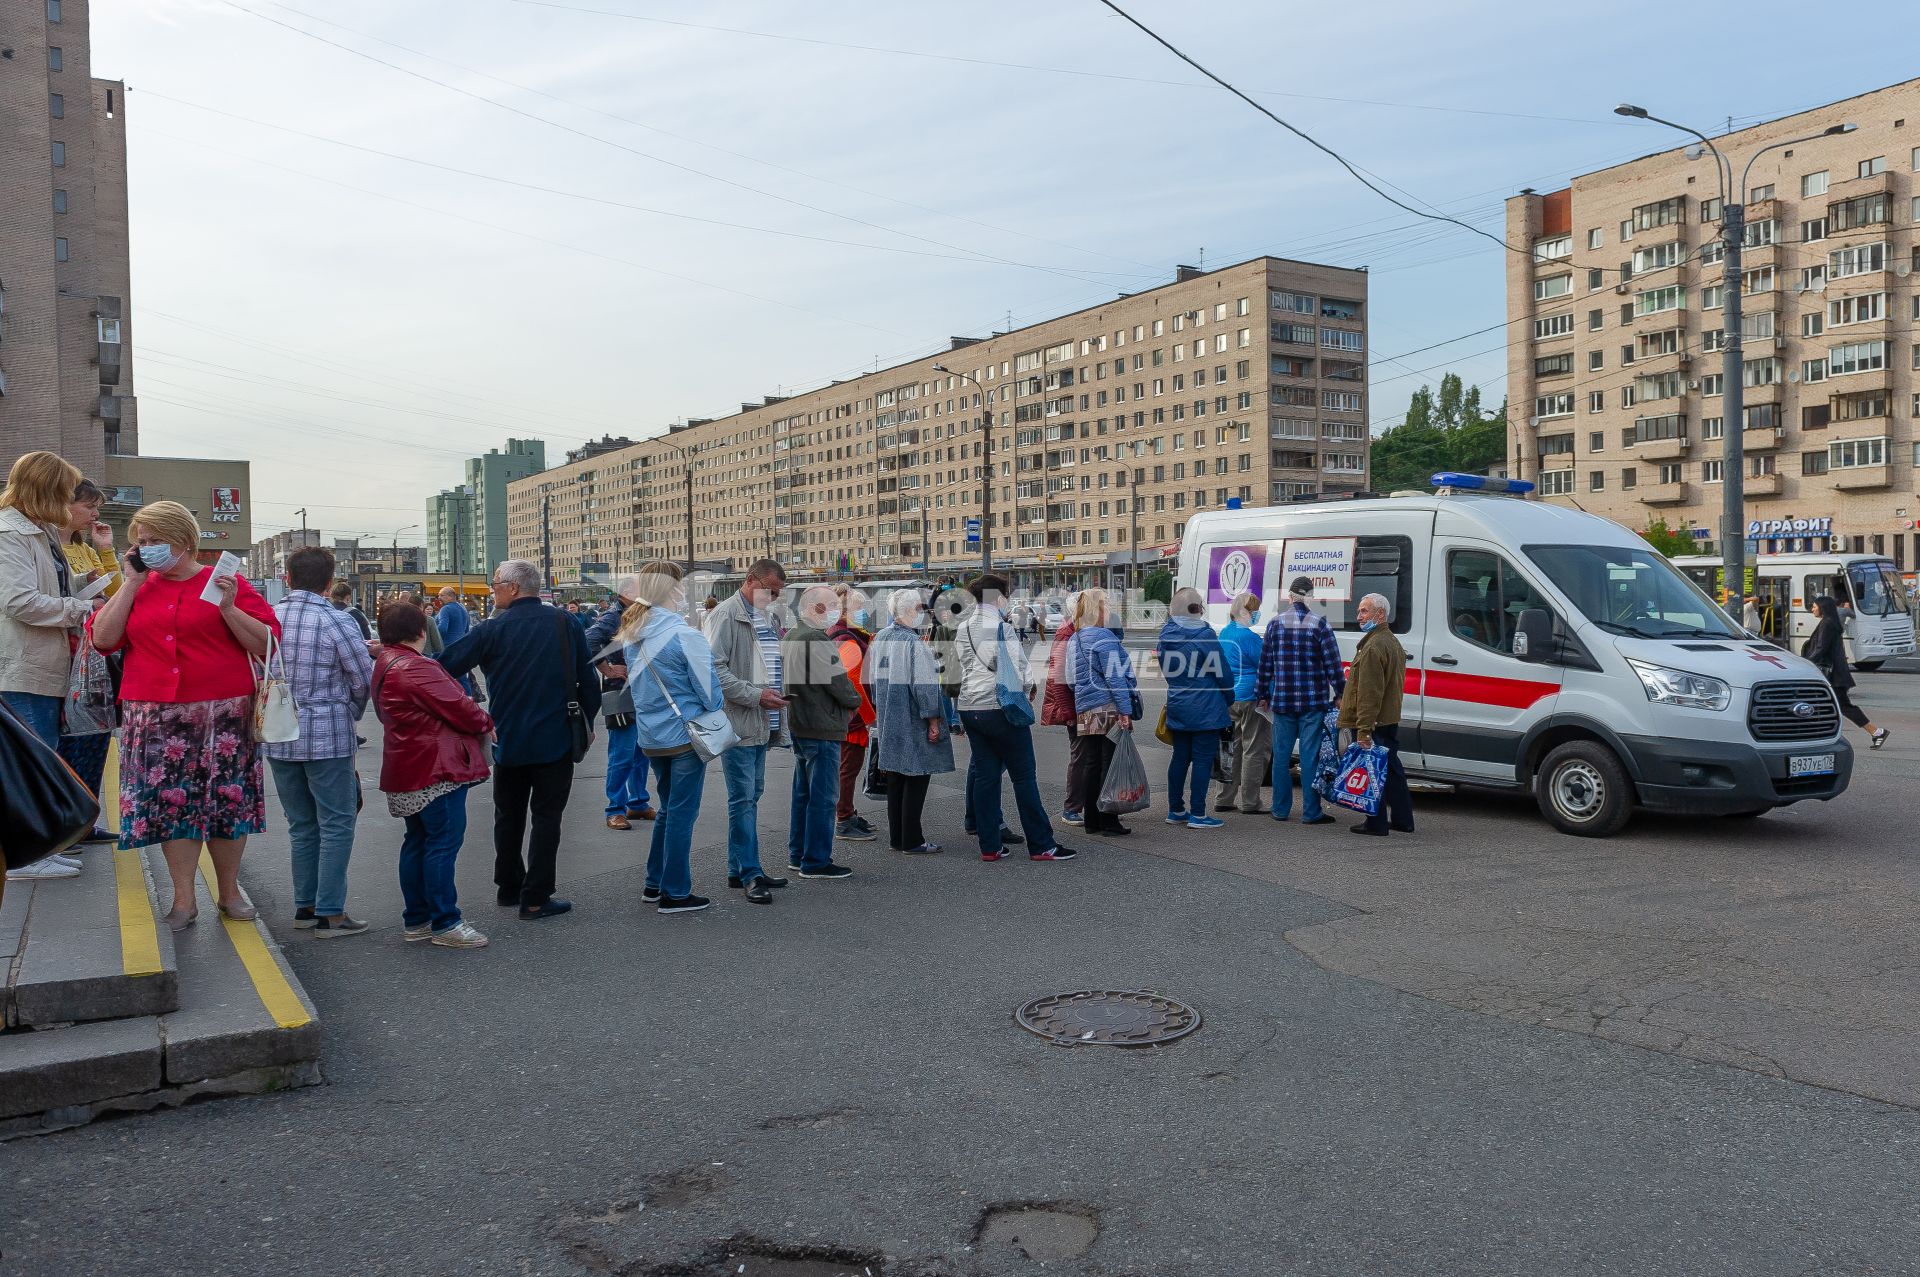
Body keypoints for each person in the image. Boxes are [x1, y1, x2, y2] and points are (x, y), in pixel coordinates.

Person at [88, 500, 280, 930]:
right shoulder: (137, 586)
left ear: (184, 541)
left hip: (223, 713)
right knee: (171, 807)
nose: (146, 548)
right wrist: (132, 583)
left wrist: (230, 610)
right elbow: (103, 639)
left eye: (155, 540)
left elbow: (267, 642)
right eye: (141, 541)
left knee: (228, 803)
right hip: (156, 714)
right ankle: (183, 898)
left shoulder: (223, 583)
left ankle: (230, 893)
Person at [439, 558, 599, 921]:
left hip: (507, 737)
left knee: (507, 815)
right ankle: (537, 896)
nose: (492, 590)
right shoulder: (564, 621)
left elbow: (445, 664)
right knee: (547, 818)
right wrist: (587, 722)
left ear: (513, 588)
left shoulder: (493, 628)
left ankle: (509, 886)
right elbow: (587, 679)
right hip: (556, 737)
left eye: (495, 584)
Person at [368, 600, 493, 947]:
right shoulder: (415, 667)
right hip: (436, 766)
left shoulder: (386, 661)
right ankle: (445, 922)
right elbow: (460, 708)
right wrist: (486, 722)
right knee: (442, 841)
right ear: (422, 631)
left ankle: (418, 918)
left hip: (408, 762)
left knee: (418, 840)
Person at [1, 453, 102, 882]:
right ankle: (24, 855)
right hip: (22, 663)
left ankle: (38, 848)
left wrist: (85, 590)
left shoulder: (40, 532)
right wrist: (81, 608)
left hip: (44, 662)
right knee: (31, 762)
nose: (68, 501)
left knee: (43, 756)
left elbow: (47, 589)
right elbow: (18, 600)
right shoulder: (10, 533)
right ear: (46, 490)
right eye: (64, 491)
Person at [266, 547, 375, 937]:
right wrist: (349, 712)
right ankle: (331, 912)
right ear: (330, 583)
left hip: (278, 731)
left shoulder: (268, 617)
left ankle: (305, 906)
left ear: (288, 579)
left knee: (301, 824)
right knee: (337, 822)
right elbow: (364, 678)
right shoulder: (336, 619)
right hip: (327, 731)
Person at [952, 573, 1075, 862]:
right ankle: (1042, 844)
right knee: (1023, 776)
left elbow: (960, 666)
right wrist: (1029, 690)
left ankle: (990, 846)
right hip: (1000, 707)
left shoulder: (963, 627)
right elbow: (1020, 668)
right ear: (998, 598)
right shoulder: (1002, 628)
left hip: (970, 707)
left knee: (985, 776)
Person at [623, 560, 721, 913]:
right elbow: (710, 694)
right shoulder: (685, 635)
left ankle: (655, 882)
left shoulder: (634, 633)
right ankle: (675, 892)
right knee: (682, 813)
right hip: (684, 736)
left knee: (667, 809)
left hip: (651, 736)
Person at [705, 559, 791, 903]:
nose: (773, 596)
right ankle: (749, 872)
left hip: (761, 719)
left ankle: (737, 867)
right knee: (742, 799)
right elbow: (713, 669)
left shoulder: (764, 614)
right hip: (741, 720)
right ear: (750, 580)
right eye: (769, 589)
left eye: (778, 592)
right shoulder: (726, 614)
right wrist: (756, 695)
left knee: (751, 796)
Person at [56, 478, 120, 848]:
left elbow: (114, 594)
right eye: (89, 505)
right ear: (65, 504)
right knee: (67, 740)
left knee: (97, 734)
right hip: (63, 654)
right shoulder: (46, 546)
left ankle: (85, 820)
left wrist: (106, 550)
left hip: (93, 655)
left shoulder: (84, 547)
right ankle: (65, 824)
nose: (95, 513)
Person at [782, 585, 863, 879]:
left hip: (800, 722)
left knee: (802, 794)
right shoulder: (815, 637)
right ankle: (815, 860)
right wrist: (854, 701)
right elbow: (837, 681)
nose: (835, 612)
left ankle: (798, 853)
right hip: (822, 724)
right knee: (823, 797)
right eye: (830, 606)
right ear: (815, 608)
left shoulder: (792, 634)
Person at [1255, 575, 1345, 826]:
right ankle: (1310, 812)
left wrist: (1262, 693)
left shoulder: (1275, 624)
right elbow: (1333, 666)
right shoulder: (1320, 625)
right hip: (1312, 703)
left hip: (1282, 703)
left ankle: (1280, 809)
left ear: (1291, 596)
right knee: (1310, 758)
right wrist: (1340, 693)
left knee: (1281, 758)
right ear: (1310, 596)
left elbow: (1265, 665)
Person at [868, 588, 951, 854]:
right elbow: (926, 687)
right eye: (921, 609)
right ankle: (913, 839)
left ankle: (898, 838)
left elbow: (871, 678)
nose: (924, 615)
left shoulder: (881, 637)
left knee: (895, 780)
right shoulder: (914, 644)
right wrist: (934, 721)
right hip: (912, 719)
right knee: (915, 778)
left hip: (889, 716)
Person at [1156, 588, 1234, 828]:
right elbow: (1223, 674)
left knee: (1179, 758)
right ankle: (1198, 814)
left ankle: (1176, 809)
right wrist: (1229, 697)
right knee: (1201, 759)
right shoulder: (1204, 635)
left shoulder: (1165, 636)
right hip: (1206, 707)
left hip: (1179, 704)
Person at [1341, 592, 1414, 837]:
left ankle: (1376, 823)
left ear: (1380, 614)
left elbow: (1369, 694)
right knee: (1392, 768)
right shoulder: (1391, 641)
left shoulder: (1373, 646)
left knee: (1372, 770)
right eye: (1360, 610)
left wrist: (1363, 729)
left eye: (1364, 611)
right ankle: (1403, 820)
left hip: (1374, 721)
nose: (1359, 616)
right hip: (1388, 717)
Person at [586, 575, 656, 830]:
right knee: (622, 754)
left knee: (642, 752)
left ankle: (637, 803)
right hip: (620, 692)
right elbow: (589, 640)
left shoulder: (642, 614)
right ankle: (615, 808)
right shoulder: (613, 616)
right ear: (626, 592)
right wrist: (606, 668)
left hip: (643, 692)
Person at [1068, 588, 1139, 837]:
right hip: (1108, 707)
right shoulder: (1105, 637)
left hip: (1085, 707)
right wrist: (1125, 711)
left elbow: (1070, 679)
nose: (1109, 610)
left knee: (1091, 763)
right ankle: (1109, 820)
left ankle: (1091, 820)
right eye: (1106, 605)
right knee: (1110, 764)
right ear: (1096, 610)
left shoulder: (1075, 638)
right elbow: (1115, 678)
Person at [829, 584, 879, 843]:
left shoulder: (846, 633)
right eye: (860, 608)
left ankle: (847, 812)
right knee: (848, 769)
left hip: (847, 715)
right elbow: (853, 681)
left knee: (847, 768)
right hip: (853, 717)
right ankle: (844, 818)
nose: (863, 612)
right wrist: (870, 716)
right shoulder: (846, 637)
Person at [1805, 595, 1888, 750]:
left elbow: (1821, 648)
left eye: (1815, 606)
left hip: (1833, 676)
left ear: (1822, 607)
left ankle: (1877, 732)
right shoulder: (1829, 623)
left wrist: (1805, 664)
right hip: (1835, 674)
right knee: (1831, 705)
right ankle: (1821, 735)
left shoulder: (1827, 624)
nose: (1813, 609)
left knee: (1841, 706)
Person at [1217, 591, 1270, 815]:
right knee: (1254, 750)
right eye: (1254, 610)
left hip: (1228, 697)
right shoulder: (1249, 638)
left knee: (1230, 748)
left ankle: (1224, 798)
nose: (1257, 614)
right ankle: (1251, 801)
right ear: (1246, 611)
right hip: (1250, 697)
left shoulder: (1224, 634)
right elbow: (1266, 666)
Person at [1039, 595, 1082, 825]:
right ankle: (1072, 808)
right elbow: (1059, 677)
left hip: (1080, 703)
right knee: (1081, 756)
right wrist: (1068, 713)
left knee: (1088, 756)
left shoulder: (1076, 630)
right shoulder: (1068, 632)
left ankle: (1085, 804)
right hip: (1074, 706)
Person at [436, 585, 478, 699]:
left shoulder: (446, 609)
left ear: (450, 596)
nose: (439, 597)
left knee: (439, 675)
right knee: (462, 676)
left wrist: (434, 636)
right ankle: (469, 700)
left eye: (441, 595)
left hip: (446, 647)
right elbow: (466, 628)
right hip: (461, 645)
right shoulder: (462, 608)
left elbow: (443, 628)